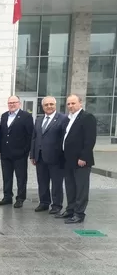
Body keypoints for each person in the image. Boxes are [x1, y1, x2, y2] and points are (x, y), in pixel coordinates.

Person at [58, 94, 97, 224]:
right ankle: (70, 210)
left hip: (81, 161)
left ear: (80, 103)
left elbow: (90, 139)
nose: (70, 106)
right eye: (68, 104)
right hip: (68, 160)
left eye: (73, 103)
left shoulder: (87, 117)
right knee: (70, 187)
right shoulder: (68, 119)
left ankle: (79, 214)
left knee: (81, 188)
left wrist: (83, 157)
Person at [30, 96, 68, 214]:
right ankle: (44, 202)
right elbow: (34, 138)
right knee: (42, 181)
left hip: (56, 157)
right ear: (43, 107)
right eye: (46, 105)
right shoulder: (39, 120)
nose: (49, 106)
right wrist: (32, 155)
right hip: (40, 156)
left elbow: (65, 138)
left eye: (51, 104)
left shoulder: (63, 119)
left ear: (55, 105)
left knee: (56, 183)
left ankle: (56, 205)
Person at [0, 95, 34, 208]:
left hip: (20, 153)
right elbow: (2, 134)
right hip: (6, 153)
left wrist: (26, 151)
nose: (12, 104)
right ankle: (7, 197)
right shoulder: (4, 116)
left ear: (19, 103)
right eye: (10, 103)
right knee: (6, 177)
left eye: (14, 102)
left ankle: (20, 198)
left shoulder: (26, 116)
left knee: (21, 178)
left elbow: (30, 135)